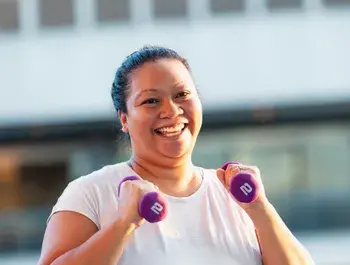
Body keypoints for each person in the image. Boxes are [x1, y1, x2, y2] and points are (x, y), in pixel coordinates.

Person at [38, 46, 314, 265]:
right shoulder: (92, 192)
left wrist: (259, 208)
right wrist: (123, 223)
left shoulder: (236, 197)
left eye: (182, 94)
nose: (171, 111)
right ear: (124, 119)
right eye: (151, 101)